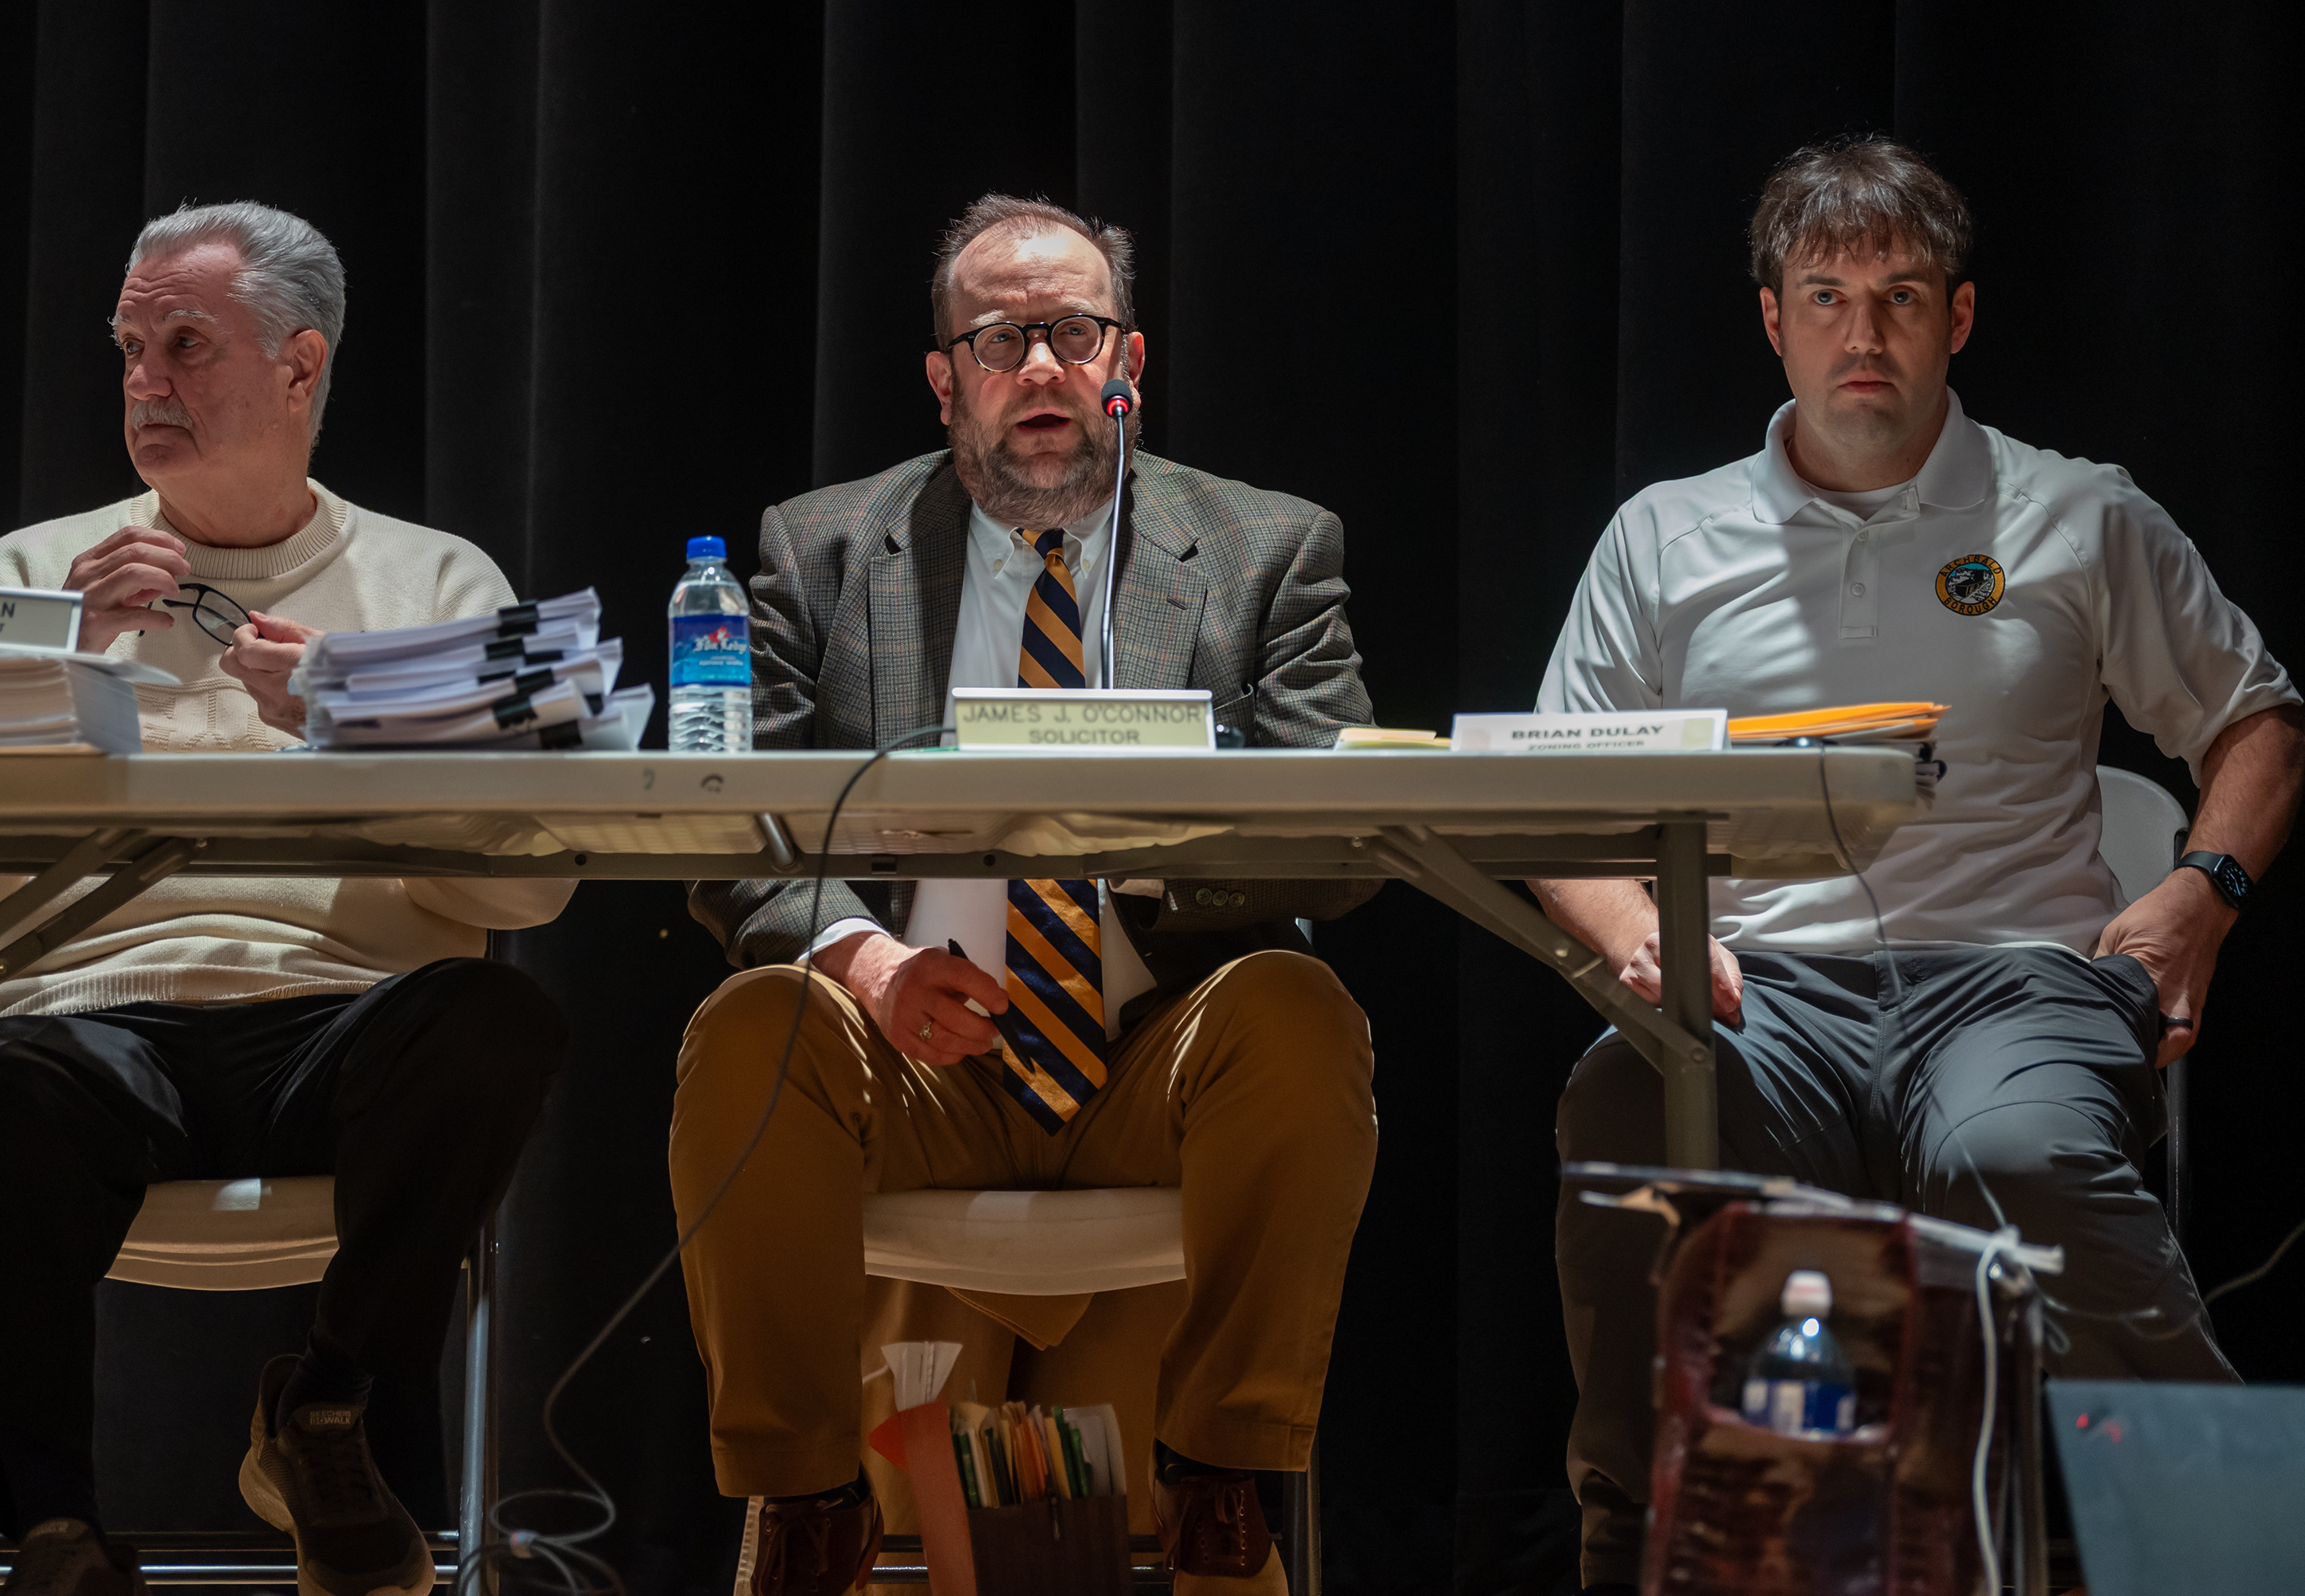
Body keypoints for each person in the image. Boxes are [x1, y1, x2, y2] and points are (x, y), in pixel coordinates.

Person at [1533, 136, 2305, 1595]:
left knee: (2008, 1155)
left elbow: (2258, 718)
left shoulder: (2081, 513)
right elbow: (1562, 800)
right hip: (1760, 990)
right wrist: (1636, 931)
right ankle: (1646, 1548)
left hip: (2017, 984)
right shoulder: (1663, 535)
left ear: (1958, 317)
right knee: (1625, 1101)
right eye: (1826, 296)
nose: (1864, 333)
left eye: (1900, 295)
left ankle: (2222, 1548)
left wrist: (2205, 893)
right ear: (1774, 321)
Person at [671, 194, 1379, 1596]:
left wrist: (1140, 824)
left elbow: (1340, 838)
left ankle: (1227, 1486)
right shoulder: (819, 553)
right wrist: (868, 964)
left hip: (1155, 1052)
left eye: (1073, 332)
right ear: (947, 380)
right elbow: (734, 822)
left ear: (1129, 360)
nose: (1042, 369)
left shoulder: (1265, 548)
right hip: (916, 1062)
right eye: (1003, 339)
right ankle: (807, 1506)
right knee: (756, 1023)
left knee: (1298, 1006)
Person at [0, 202, 574, 1596]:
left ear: (299, 364)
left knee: (498, 1019)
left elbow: (537, 876)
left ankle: (325, 1411)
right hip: (89, 1026)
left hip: (341, 1021)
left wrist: (357, 716)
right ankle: (54, 1529)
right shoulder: (37, 574)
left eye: (186, 344)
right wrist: (63, 675)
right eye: (130, 348)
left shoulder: (440, 580)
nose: (145, 380)